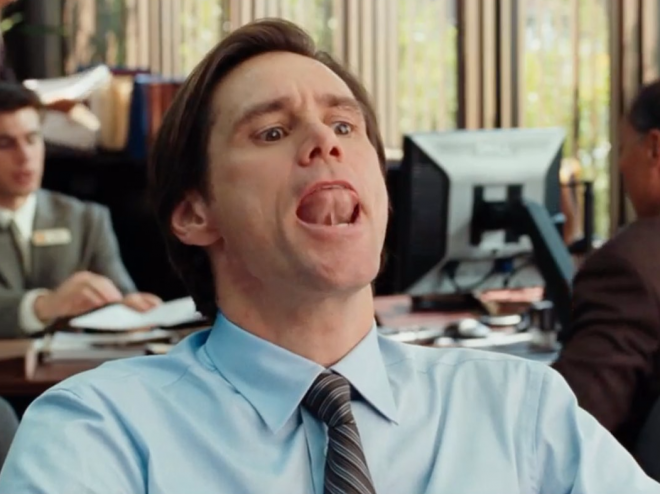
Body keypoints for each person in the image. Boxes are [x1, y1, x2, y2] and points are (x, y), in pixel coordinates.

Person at [0, 19, 658, 494]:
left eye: (346, 125)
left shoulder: (522, 408)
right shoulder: (100, 433)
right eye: (272, 131)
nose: (324, 140)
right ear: (195, 212)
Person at [0, 82, 161, 337]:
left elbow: (120, 297)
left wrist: (130, 310)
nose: (25, 156)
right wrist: (44, 306)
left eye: (32, 139)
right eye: (5, 144)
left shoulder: (86, 219)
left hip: (74, 362)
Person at [553, 80, 660, 452]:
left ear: (655, 148)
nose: (621, 165)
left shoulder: (630, 266)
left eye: (623, 148)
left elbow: (565, 426)